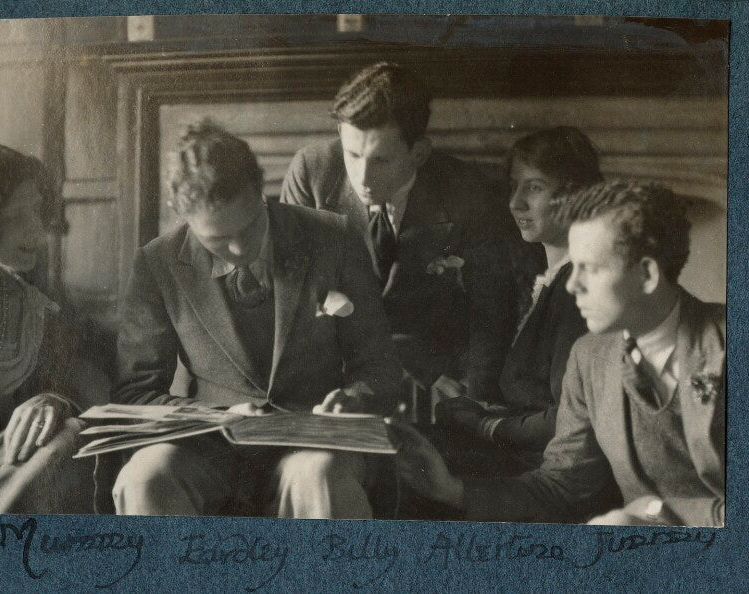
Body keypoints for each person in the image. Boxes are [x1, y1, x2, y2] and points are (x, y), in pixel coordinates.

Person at [107, 121, 401, 519]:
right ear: (183, 215)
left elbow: (379, 363)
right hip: (209, 448)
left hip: (311, 442)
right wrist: (218, 419)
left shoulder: (334, 238)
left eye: (249, 228)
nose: (238, 249)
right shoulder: (157, 264)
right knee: (144, 478)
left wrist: (355, 397)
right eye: (216, 240)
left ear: (260, 189)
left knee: (318, 474)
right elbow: (136, 393)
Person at [390, 180, 725, 526]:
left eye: (590, 269)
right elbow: (562, 487)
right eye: (573, 265)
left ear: (647, 274)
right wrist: (453, 490)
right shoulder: (591, 358)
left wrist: (656, 514)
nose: (571, 284)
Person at [280, 62, 523, 412]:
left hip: (439, 376)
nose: (362, 177)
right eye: (352, 154)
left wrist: (475, 401)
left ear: (419, 153)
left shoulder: (466, 191)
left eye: (380, 160)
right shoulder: (310, 173)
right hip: (338, 374)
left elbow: (491, 309)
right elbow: (295, 304)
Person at [437, 127, 599, 477]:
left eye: (534, 187)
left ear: (576, 195)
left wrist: (487, 426)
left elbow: (569, 416)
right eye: (513, 186)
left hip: (546, 471)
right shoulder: (548, 278)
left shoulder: (579, 290)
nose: (515, 203)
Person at [0, 142, 90, 513]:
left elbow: (73, 390)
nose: (40, 234)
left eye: (40, 215)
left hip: (9, 486)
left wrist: (53, 401)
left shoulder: (38, 312)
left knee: (71, 433)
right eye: (21, 217)